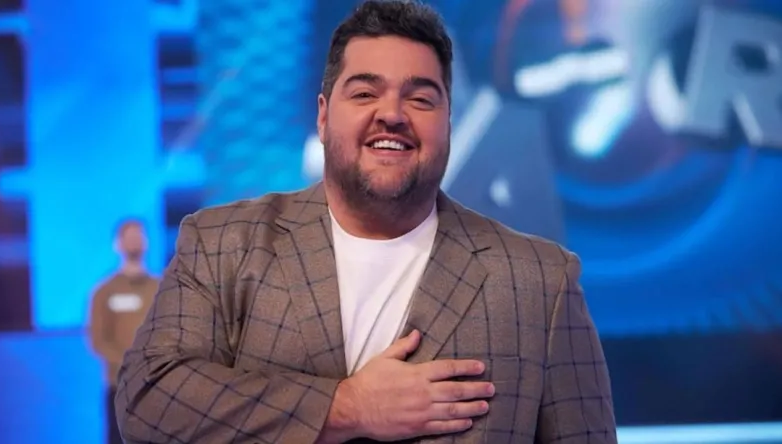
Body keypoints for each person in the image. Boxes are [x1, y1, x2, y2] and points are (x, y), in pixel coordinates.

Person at [115, 1, 617, 442]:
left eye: (420, 98)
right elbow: (147, 399)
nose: (392, 113)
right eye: (364, 94)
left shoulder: (541, 282)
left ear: (448, 121)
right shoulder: (222, 246)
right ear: (322, 116)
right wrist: (348, 407)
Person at [88, 219, 159, 444]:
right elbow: (98, 340)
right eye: (129, 237)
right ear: (117, 244)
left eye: (139, 236)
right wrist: (131, 365)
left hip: (157, 388)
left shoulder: (162, 288)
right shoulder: (104, 291)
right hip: (120, 387)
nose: (134, 241)